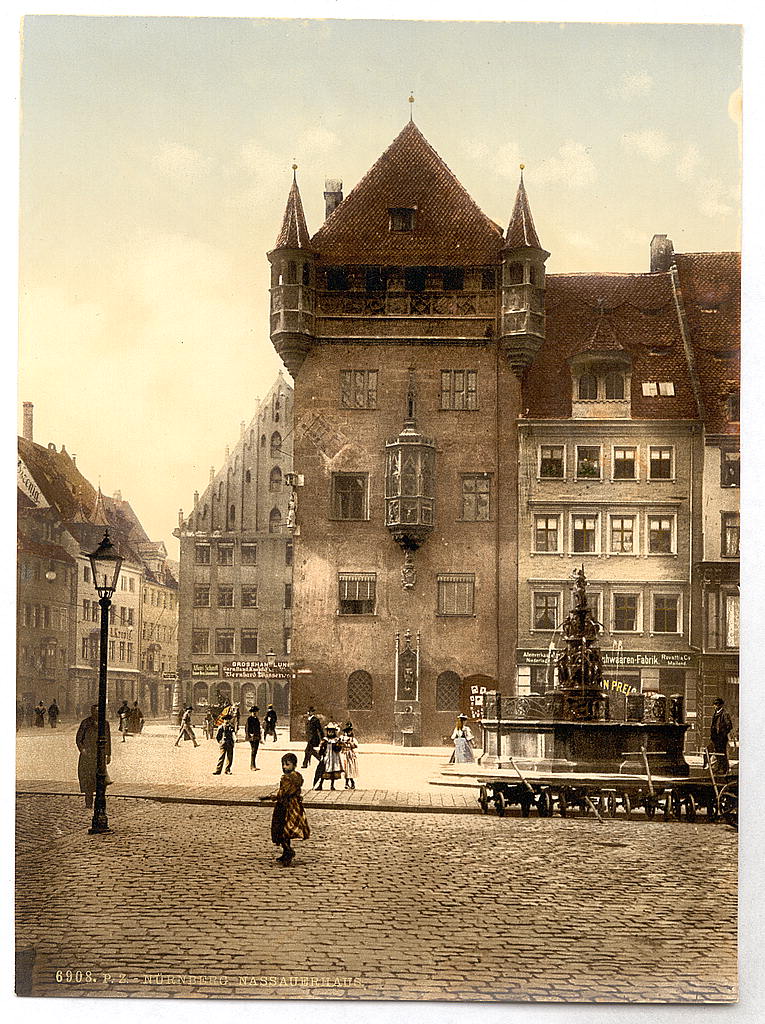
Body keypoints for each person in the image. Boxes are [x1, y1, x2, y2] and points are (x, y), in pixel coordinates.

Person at [259, 752, 310, 866]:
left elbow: (283, 793)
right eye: (283, 764)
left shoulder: (287, 778)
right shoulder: (298, 777)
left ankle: (288, 851)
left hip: (284, 806)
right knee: (287, 830)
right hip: (294, 806)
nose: (284, 767)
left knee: (280, 829)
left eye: (287, 764)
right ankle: (286, 852)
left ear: (294, 765)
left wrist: (270, 797)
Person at [76, 704, 111, 809]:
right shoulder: (85, 723)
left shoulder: (105, 724)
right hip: (87, 755)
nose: (96, 713)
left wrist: (108, 754)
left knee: (101, 780)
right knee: (88, 780)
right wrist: (82, 749)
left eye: (98, 711)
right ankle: (88, 803)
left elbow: (108, 740)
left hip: (99, 755)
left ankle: (99, 803)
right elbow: (79, 738)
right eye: (94, 711)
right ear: (91, 712)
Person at [315, 722, 343, 790]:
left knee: (333, 771)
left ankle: (332, 785)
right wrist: (321, 752)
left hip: (334, 758)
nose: (330, 733)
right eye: (329, 731)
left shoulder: (336, 740)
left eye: (332, 732)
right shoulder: (325, 740)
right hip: (327, 757)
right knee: (323, 770)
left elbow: (338, 749)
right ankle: (320, 785)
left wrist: (338, 745)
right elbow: (321, 749)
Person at [709, 697, 734, 774]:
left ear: (720, 705)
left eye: (717, 704)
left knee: (722, 753)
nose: (715, 706)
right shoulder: (715, 713)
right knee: (717, 753)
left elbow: (729, 726)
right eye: (715, 704)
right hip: (715, 737)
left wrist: (723, 734)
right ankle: (719, 767)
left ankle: (724, 769)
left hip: (721, 738)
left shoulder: (724, 714)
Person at [339, 721, 358, 790]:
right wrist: (342, 744)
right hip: (344, 754)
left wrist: (350, 742)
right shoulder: (342, 738)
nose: (349, 732)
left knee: (350, 769)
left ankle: (352, 782)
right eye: (347, 731)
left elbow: (355, 746)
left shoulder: (353, 739)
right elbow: (340, 745)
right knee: (345, 769)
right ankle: (346, 782)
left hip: (350, 755)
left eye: (350, 731)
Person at [245, 705, 262, 770]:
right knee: (253, 751)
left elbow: (258, 729)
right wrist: (249, 735)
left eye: (255, 711)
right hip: (252, 737)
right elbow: (247, 728)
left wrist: (260, 737)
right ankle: (252, 766)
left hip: (257, 737)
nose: (254, 713)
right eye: (253, 712)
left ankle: (253, 765)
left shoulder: (256, 719)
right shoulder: (249, 719)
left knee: (255, 751)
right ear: (251, 712)